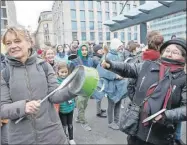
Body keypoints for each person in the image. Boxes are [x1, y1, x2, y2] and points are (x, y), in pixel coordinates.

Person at [1, 26, 78, 144]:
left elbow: (54, 95)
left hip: (52, 134)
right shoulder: (4, 73)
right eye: (8, 43)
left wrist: (73, 89)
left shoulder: (44, 66)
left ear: (29, 43)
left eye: (17, 41)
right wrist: (23, 107)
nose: (12, 46)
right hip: (21, 138)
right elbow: (2, 108)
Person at [101, 38, 186, 145]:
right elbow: (129, 68)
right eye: (167, 51)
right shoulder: (148, 66)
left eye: (175, 52)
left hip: (161, 136)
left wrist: (167, 115)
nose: (169, 54)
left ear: (184, 57)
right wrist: (111, 65)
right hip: (136, 130)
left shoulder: (184, 79)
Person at [97, 39, 127, 130]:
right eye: (119, 46)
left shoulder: (119, 55)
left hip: (120, 84)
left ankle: (117, 121)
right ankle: (111, 122)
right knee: (112, 104)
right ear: (115, 45)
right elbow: (102, 70)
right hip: (112, 85)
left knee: (118, 102)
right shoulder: (108, 56)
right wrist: (115, 76)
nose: (121, 47)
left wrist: (123, 74)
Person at [57, 62, 76, 145]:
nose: (64, 74)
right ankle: (65, 138)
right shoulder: (56, 82)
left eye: (65, 72)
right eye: (62, 72)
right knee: (63, 125)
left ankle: (71, 138)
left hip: (70, 106)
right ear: (58, 72)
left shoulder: (69, 80)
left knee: (70, 124)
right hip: (62, 107)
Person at [75, 44, 93, 131]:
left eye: (86, 49)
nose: (84, 51)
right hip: (79, 87)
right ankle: (84, 123)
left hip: (88, 86)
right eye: (82, 50)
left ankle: (79, 117)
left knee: (85, 105)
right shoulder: (76, 61)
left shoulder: (90, 60)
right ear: (79, 51)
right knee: (81, 106)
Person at [92, 44, 107, 118]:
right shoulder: (95, 58)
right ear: (96, 51)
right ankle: (98, 112)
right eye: (100, 49)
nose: (101, 50)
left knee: (100, 94)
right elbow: (101, 65)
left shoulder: (98, 57)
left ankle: (99, 109)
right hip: (96, 78)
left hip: (99, 77)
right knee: (98, 95)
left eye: (101, 49)